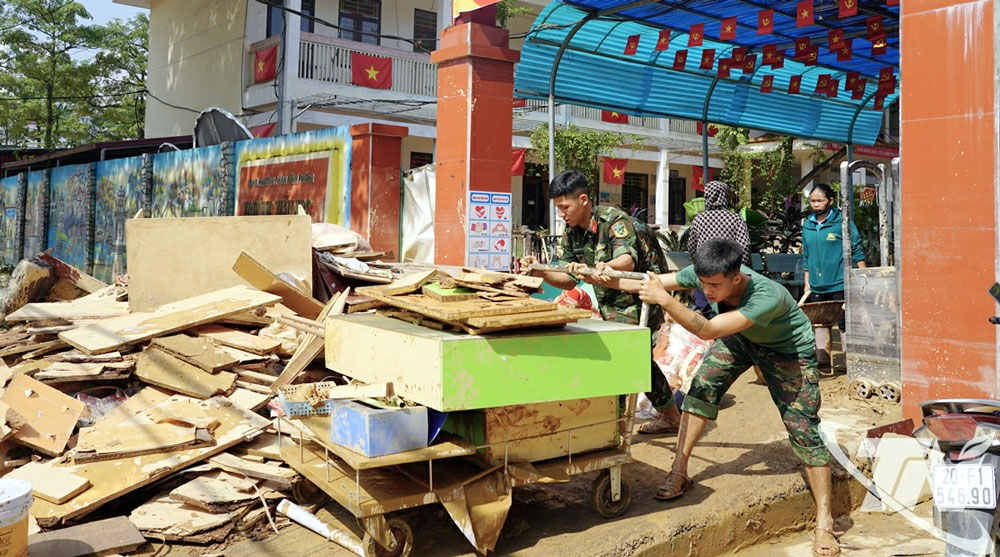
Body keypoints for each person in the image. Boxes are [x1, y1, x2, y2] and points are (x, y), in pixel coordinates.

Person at [607, 238, 839, 557]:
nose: (708, 291)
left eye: (715, 285)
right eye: (703, 284)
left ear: (737, 277)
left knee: (802, 428)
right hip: (740, 339)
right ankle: (679, 470)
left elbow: (709, 329)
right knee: (701, 390)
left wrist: (665, 300)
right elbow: (651, 282)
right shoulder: (707, 273)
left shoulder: (765, 296)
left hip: (787, 350)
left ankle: (825, 522)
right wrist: (597, 273)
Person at [519, 169, 681, 434]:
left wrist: (599, 267)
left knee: (622, 356)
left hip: (641, 296)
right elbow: (569, 279)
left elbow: (625, 262)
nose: (561, 213)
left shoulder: (614, 220)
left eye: (564, 206)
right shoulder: (571, 231)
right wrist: (540, 270)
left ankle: (610, 428)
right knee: (638, 360)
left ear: (583, 199)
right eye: (557, 207)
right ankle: (671, 417)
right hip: (610, 299)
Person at [799, 184, 866, 367]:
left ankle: (848, 360)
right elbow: (806, 255)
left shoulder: (843, 223)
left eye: (820, 201)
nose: (816, 205)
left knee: (844, 322)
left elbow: (857, 250)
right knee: (820, 322)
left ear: (830, 200)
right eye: (813, 201)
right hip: (817, 284)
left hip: (840, 283)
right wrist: (807, 283)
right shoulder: (808, 225)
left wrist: (862, 278)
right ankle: (822, 358)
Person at [686, 180, 751, 318]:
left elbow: (691, 246)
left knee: (704, 310)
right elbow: (744, 245)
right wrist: (741, 268)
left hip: (704, 270)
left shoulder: (699, 219)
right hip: (727, 270)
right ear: (724, 196)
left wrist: (699, 263)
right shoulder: (736, 219)